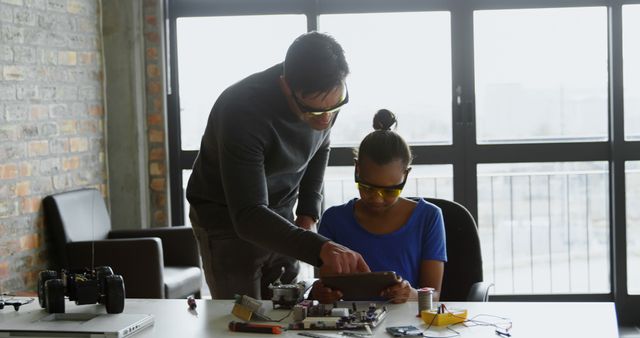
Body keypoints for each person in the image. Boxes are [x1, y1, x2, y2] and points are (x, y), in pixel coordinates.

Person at [186, 31, 370, 300]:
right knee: (239, 319)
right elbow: (248, 216)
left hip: (280, 213)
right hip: (227, 220)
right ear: (286, 87)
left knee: (286, 312)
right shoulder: (242, 111)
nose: (326, 119)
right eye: (316, 111)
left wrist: (308, 212)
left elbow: (321, 148)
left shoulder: (326, 98)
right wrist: (320, 248)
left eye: (337, 105)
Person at [311, 109, 447, 304]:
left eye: (390, 191)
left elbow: (434, 295)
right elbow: (325, 284)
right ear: (357, 169)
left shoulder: (429, 217)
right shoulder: (334, 220)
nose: (377, 198)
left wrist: (411, 294)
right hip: (349, 324)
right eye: (367, 188)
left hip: (405, 326)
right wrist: (322, 293)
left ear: (406, 176)